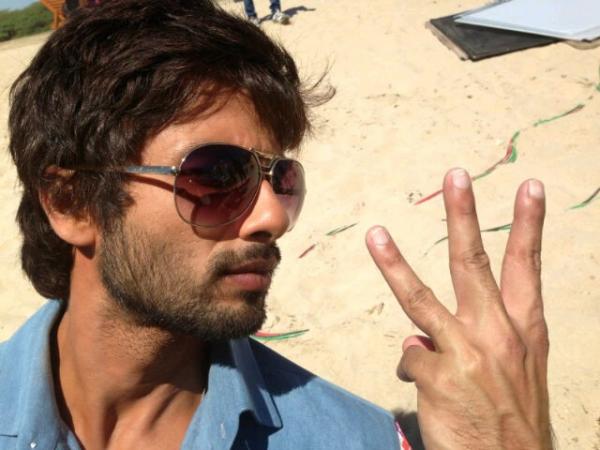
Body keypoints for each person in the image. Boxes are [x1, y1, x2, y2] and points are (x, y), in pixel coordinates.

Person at [2, 0, 552, 449]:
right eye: (217, 174)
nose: (272, 218)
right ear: (71, 204)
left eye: (282, 178)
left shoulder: (357, 440)